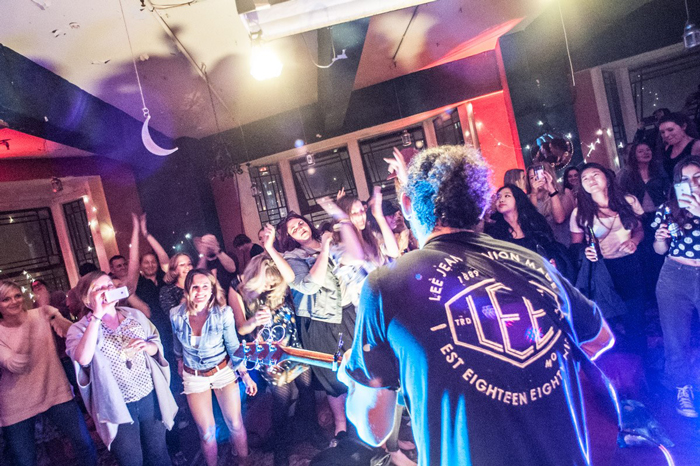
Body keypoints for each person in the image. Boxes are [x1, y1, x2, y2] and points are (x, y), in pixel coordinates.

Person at [338, 145, 614, 466]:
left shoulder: (386, 284)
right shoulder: (533, 263)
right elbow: (600, 337)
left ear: (408, 204)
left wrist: (353, 377)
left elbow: (373, 429)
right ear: (483, 205)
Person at [66, 271, 177, 466]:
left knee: (158, 454)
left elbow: (156, 345)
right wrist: (97, 316)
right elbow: (83, 358)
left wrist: (147, 346)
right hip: (116, 404)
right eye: (99, 288)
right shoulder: (79, 329)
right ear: (86, 299)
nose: (107, 290)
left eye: (109, 286)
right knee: (131, 460)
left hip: (148, 394)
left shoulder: (134, 315)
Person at [229, 226, 316, 466]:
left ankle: (312, 431)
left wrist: (270, 246)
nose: (269, 287)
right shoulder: (238, 288)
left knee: (307, 390)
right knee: (282, 400)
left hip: (295, 347)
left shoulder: (280, 281)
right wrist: (254, 321)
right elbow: (241, 328)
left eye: (272, 283)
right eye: (265, 283)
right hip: (269, 355)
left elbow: (289, 277)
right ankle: (281, 448)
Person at [277, 210, 361, 439]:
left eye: (300, 223)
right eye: (293, 229)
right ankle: (341, 427)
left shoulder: (333, 242)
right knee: (333, 377)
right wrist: (323, 248)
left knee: (358, 369)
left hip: (348, 312)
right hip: (321, 321)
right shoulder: (293, 257)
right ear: (290, 237)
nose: (299, 228)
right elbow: (310, 285)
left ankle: (363, 425)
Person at [0, 280, 97, 466]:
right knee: (25, 461)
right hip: (16, 403)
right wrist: (34, 324)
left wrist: (53, 314)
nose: (14, 301)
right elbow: (16, 364)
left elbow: (71, 332)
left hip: (54, 390)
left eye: (17, 296)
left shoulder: (42, 313)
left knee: (84, 443)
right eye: (6, 299)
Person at [170, 268, 256, 466]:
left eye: (205, 287)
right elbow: (176, 344)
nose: (200, 291)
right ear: (187, 289)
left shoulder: (223, 313)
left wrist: (245, 375)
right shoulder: (175, 314)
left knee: (235, 423)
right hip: (194, 376)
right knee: (207, 433)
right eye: (195, 287)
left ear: (212, 290)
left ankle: (244, 461)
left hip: (222, 371)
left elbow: (233, 346)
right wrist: (179, 361)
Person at [570, 163, 646, 354]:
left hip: (630, 264)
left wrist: (634, 241)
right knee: (609, 321)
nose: (591, 180)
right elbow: (576, 245)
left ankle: (641, 359)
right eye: (585, 178)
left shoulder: (628, 201)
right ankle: (618, 363)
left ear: (607, 178)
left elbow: (639, 229)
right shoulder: (579, 212)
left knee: (635, 318)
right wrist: (586, 252)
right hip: (602, 270)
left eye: (595, 174)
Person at [651, 155, 700, 418]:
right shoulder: (668, 208)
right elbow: (659, 250)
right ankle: (682, 388)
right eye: (685, 179)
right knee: (674, 337)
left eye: (698, 177)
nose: (693, 184)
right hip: (674, 275)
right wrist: (660, 239)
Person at [484, 185, 574, 281]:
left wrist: (552, 262)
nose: (501, 200)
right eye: (498, 197)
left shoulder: (535, 221)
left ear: (517, 199)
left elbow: (550, 246)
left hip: (542, 277)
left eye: (507, 196)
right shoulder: (493, 230)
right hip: (514, 280)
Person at [617, 142, 669, 302]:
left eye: (648, 149)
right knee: (645, 255)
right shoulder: (626, 174)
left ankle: (664, 291)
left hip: (659, 216)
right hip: (638, 218)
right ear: (633, 154)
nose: (646, 153)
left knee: (661, 252)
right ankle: (650, 294)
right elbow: (620, 195)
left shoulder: (658, 169)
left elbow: (669, 190)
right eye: (641, 151)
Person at [526, 161, 575, 247]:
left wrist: (551, 190)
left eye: (539, 175)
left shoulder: (563, 193)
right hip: (542, 246)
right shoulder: (527, 198)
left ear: (548, 175)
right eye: (532, 178)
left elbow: (559, 219)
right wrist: (533, 194)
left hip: (563, 244)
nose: (536, 180)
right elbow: (532, 222)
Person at [659, 113, 700, 179]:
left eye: (670, 130)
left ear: (684, 126)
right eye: (662, 132)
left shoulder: (697, 146)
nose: (666, 135)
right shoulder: (668, 148)